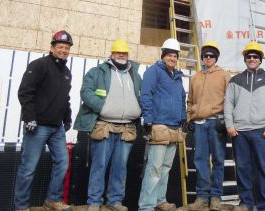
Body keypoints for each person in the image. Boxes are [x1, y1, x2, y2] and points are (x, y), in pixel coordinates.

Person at [73, 39, 142, 211]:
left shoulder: (135, 75)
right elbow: (86, 92)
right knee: (100, 165)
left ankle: (115, 201)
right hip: (104, 126)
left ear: (128, 55)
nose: (121, 55)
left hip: (127, 128)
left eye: (124, 53)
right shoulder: (97, 72)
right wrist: (101, 107)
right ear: (111, 54)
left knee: (120, 167)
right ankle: (94, 202)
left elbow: (142, 95)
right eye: (118, 52)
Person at [15, 30, 73, 211]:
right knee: (28, 168)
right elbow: (25, 92)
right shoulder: (39, 65)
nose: (64, 50)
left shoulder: (66, 72)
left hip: (57, 128)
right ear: (52, 47)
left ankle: (52, 200)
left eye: (66, 48)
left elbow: (65, 98)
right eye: (60, 47)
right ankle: (21, 206)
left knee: (62, 163)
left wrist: (67, 118)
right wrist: (29, 117)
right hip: (37, 126)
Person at [224, 41, 265, 211]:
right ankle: (246, 204)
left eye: (255, 56)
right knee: (242, 169)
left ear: (260, 59)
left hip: (262, 131)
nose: (251, 59)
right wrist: (229, 124)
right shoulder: (235, 80)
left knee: (263, 170)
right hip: (240, 132)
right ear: (245, 59)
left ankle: (264, 206)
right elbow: (228, 103)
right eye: (248, 56)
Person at [179, 41, 231, 211]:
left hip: (216, 123)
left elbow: (230, 101)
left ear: (216, 58)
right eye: (205, 56)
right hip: (199, 124)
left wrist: (225, 121)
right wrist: (190, 118)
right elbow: (190, 101)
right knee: (200, 160)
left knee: (217, 160)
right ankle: (202, 198)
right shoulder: (195, 77)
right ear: (202, 58)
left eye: (211, 56)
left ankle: (215, 198)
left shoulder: (224, 75)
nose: (208, 58)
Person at [138, 38, 186, 211]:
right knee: (154, 169)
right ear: (163, 55)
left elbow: (181, 98)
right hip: (158, 125)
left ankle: (160, 200)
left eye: (175, 56)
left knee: (165, 168)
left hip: (174, 127)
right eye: (169, 55)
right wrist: (148, 118)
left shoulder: (177, 77)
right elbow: (146, 95)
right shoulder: (153, 71)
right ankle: (146, 206)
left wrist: (183, 117)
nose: (172, 58)